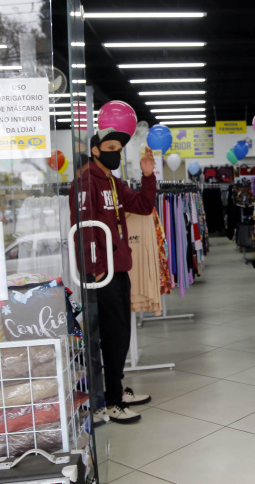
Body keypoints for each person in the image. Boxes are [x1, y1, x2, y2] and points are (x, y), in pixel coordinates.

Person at [70, 127, 157, 424]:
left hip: (119, 268)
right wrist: (94, 269)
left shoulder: (112, 181)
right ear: (95, 150)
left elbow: (144, 206)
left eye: (119, 148)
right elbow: (82, 229)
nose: (115, 152)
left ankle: (116, 389)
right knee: (110, 336)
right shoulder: (85, 182)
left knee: (120, 335)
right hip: (101, 274)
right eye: (110, 146)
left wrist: (148, 176)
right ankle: (110, 402)